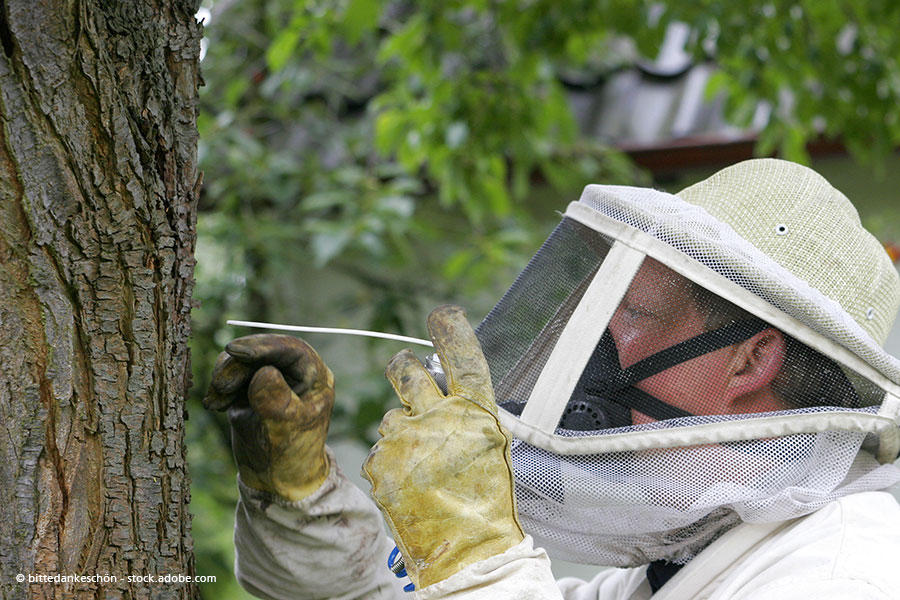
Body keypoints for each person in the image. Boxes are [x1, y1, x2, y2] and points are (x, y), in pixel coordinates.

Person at [204, 159, 900, 599]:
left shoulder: (841, 576)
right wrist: (301, 497)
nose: (596, 339)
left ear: (750, 360)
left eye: (632, 311)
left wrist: (481, 555)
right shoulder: (694, 559)